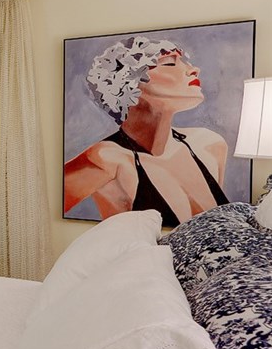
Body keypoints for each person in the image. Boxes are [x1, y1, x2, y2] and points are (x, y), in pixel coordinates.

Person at [64, 36, 229, 226]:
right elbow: (37, 203)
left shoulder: (210, 145)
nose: (193, 69)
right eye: (169, 63)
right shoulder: (107, 159)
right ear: (127, 83)